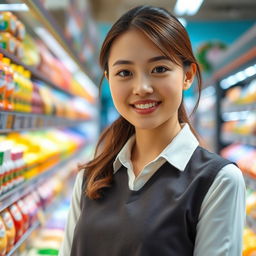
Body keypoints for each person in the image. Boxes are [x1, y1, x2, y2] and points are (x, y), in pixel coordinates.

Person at [59, 5, 246, 256]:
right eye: (124, 72)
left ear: (187, 75)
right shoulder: (90, 179)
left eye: (159, 69)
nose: (142, 87)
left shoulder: (217, 181)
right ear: (109, 78)